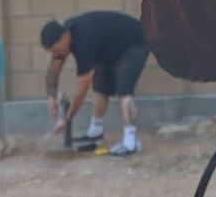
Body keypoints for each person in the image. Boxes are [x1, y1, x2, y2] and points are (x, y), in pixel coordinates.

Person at [40, 8, 148, 155]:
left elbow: (82, 89)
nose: (55, 54)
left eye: (55, 49)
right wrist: (51, 96)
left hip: (136, 43)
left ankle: (131, 142)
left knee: (124, 90)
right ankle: (95, 133)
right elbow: (53, 71)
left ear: (64, 37)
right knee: (100, 86)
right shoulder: (66, 39)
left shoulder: (83, 42)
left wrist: (67, 119)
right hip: (111, 49)